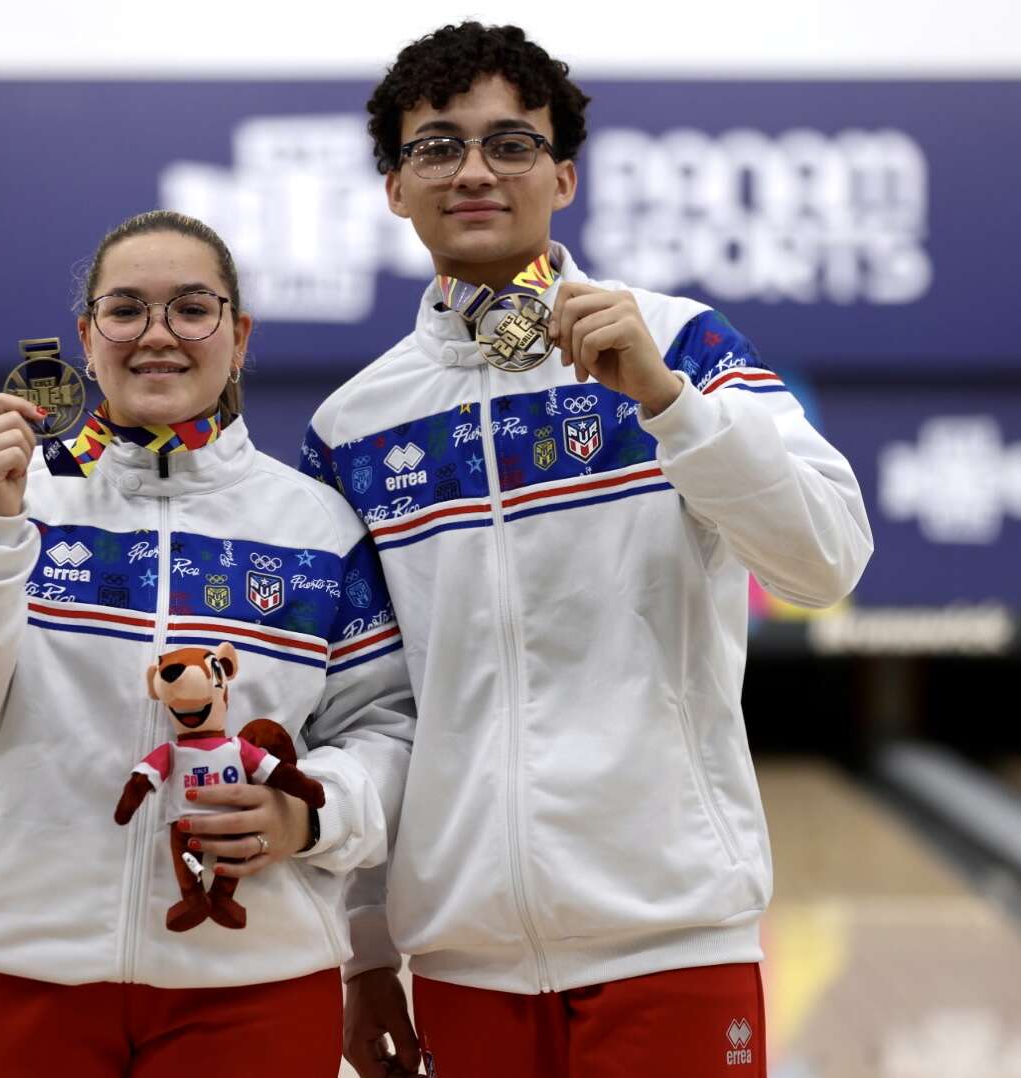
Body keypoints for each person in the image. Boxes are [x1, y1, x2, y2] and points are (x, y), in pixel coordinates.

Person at [299, 23, 873, 1078]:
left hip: (673, 942)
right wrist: (363, 950)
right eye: (436, 146)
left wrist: (669, 404)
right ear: (394, 188)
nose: (473, 169)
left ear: (561, 176)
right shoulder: (353, 428)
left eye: (509, 144)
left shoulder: (680, 343)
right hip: (462, 961)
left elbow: (825, 561)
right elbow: (364, 708)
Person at [0, 210, 413, 1077]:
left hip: (252, 977)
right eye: (126, 310)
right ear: (87, 339)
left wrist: (309, 809)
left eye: (192, 309)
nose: (157, 334)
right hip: (10, 963)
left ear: (238, 337)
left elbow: (388, 729)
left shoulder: (319, 529)